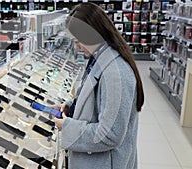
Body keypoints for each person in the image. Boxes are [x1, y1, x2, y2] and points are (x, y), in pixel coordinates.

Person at [53, 3, 144, 169]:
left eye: (77, 41)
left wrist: (66, 127)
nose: (76, 47)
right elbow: (99, 100)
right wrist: (71, 107)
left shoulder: (115, 73)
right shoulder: (100, 59)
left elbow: (110, 135)